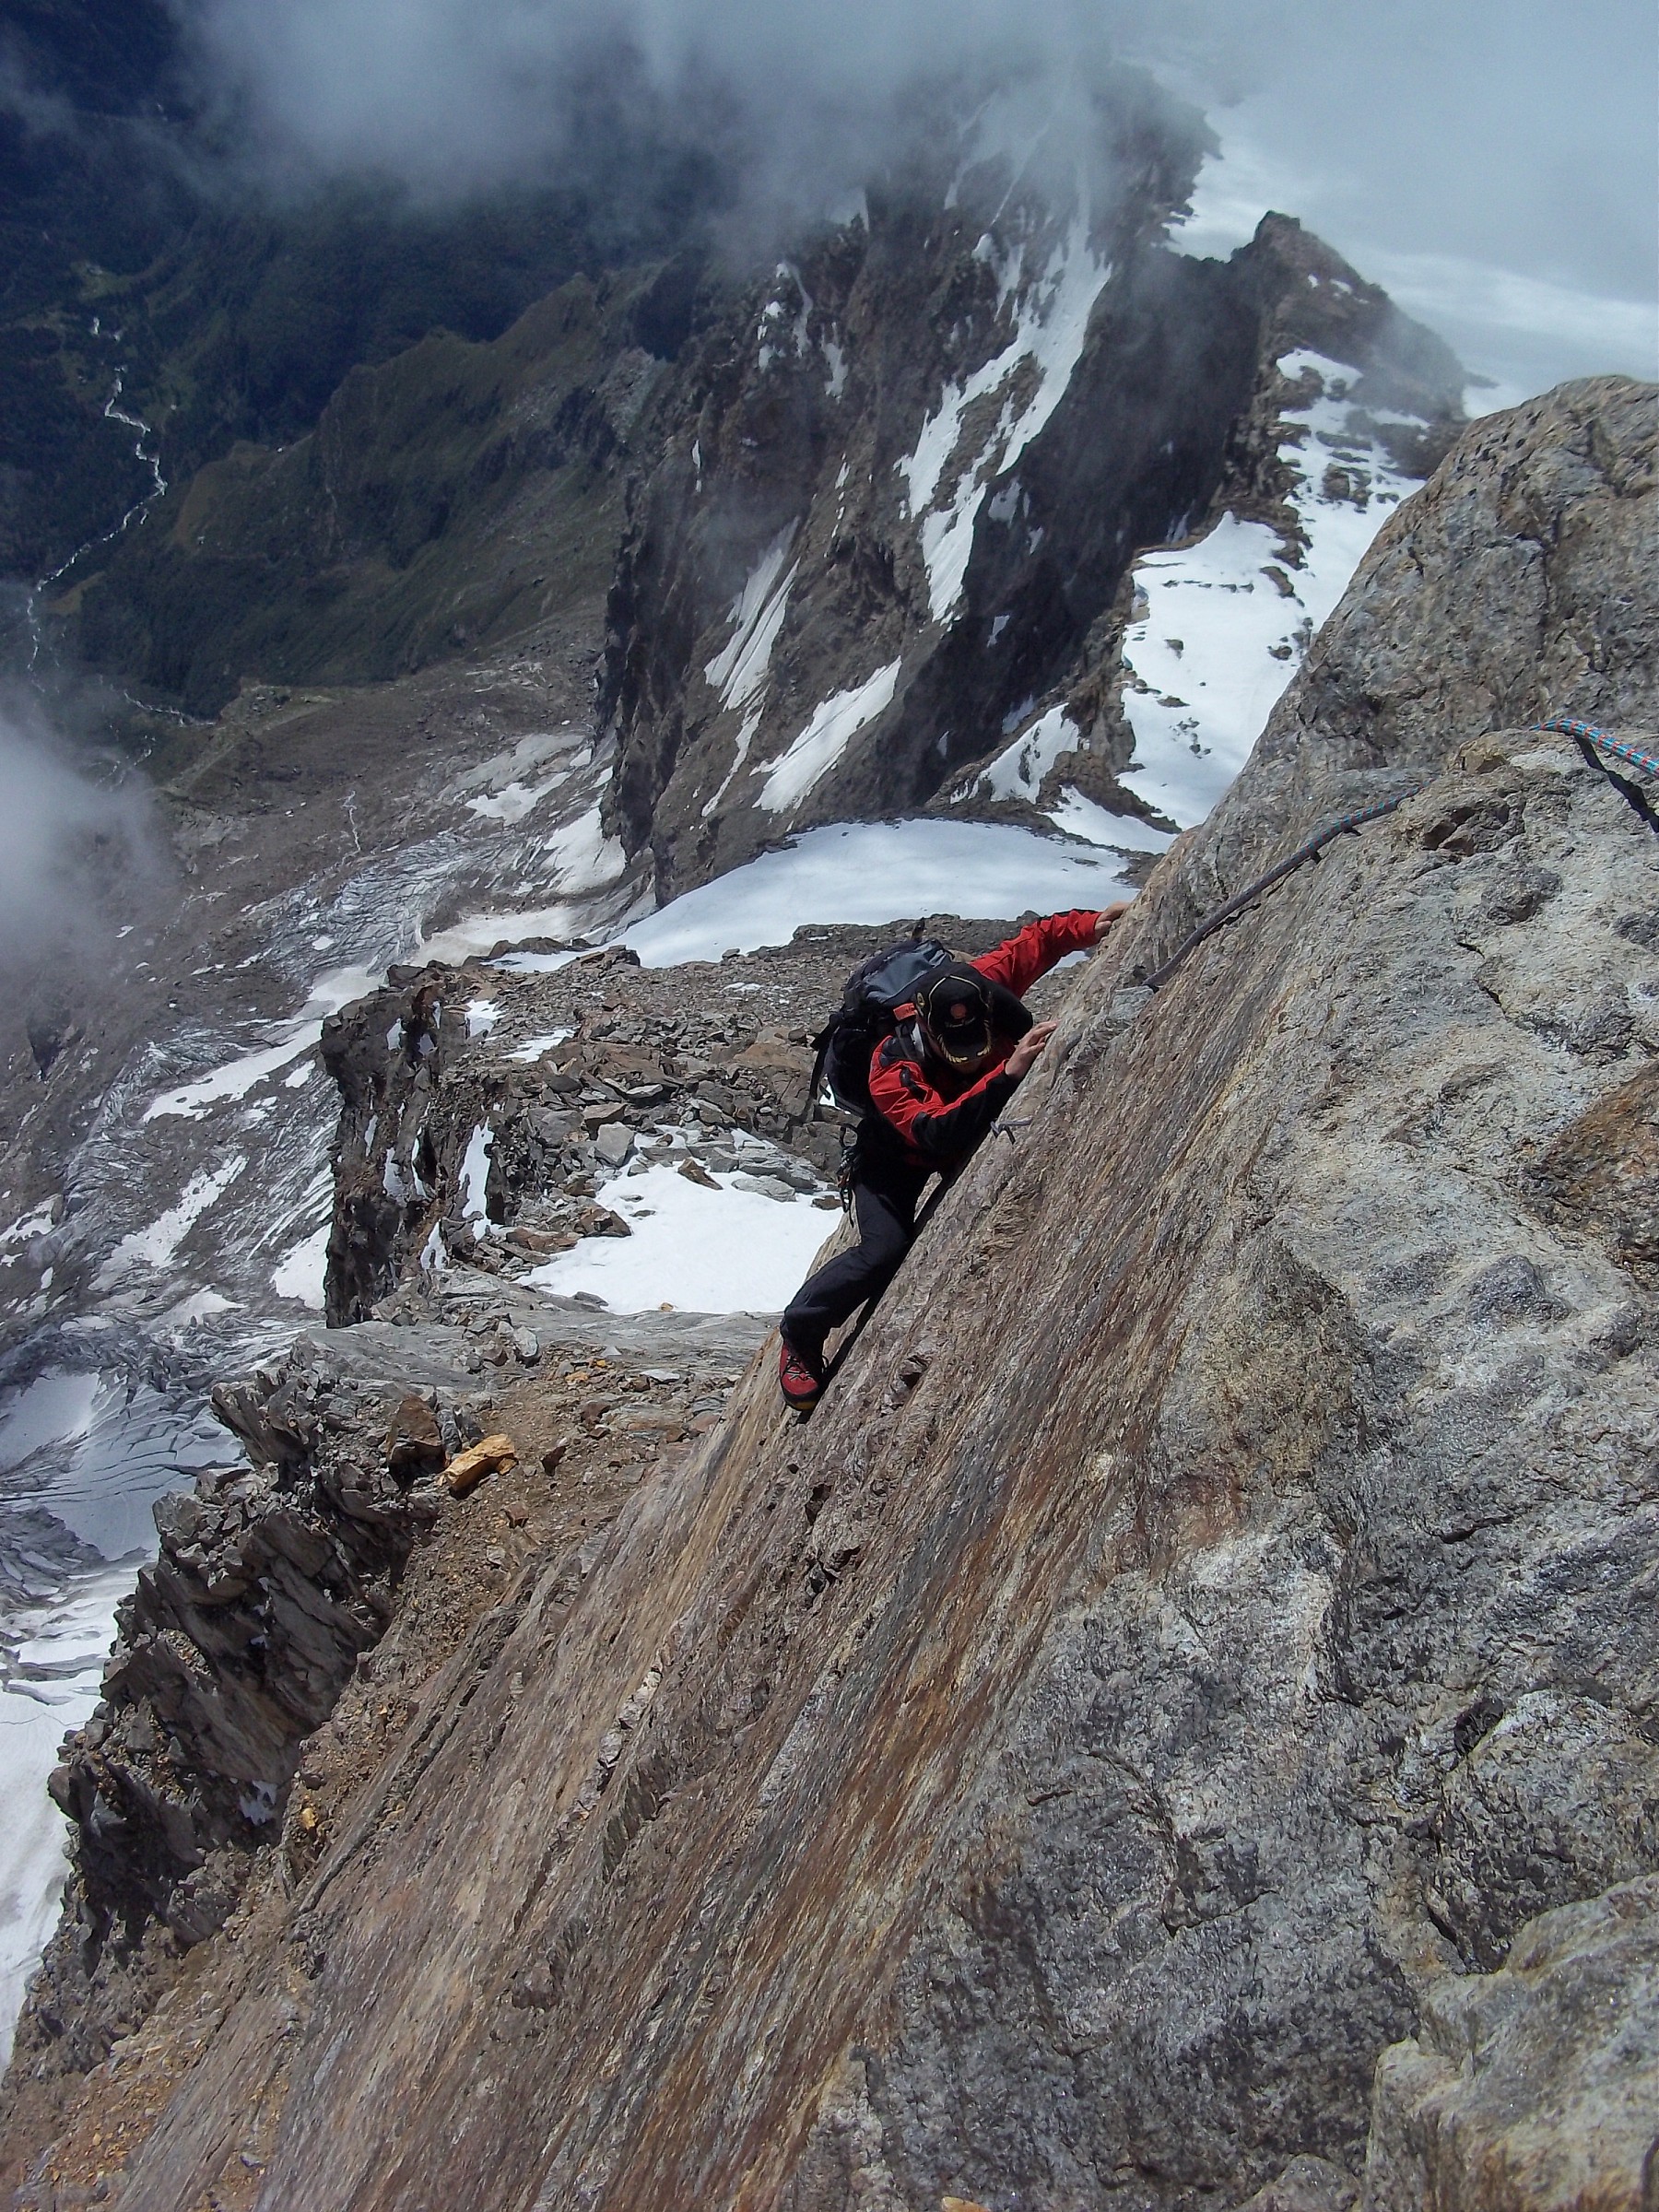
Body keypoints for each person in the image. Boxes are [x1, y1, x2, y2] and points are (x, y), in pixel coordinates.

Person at [778, 905, 1128, 1409]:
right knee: (882, 1252)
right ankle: (801, 1331)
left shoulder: (980, 983)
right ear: (928, 1029)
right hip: (894, 1159)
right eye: (955, 1049)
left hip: (952, 1129)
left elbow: (1035, 943)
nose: (967, 1055)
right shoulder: (889, 1061)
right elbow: (933, 1131)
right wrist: (1005, 1073)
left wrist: (1089, 926)